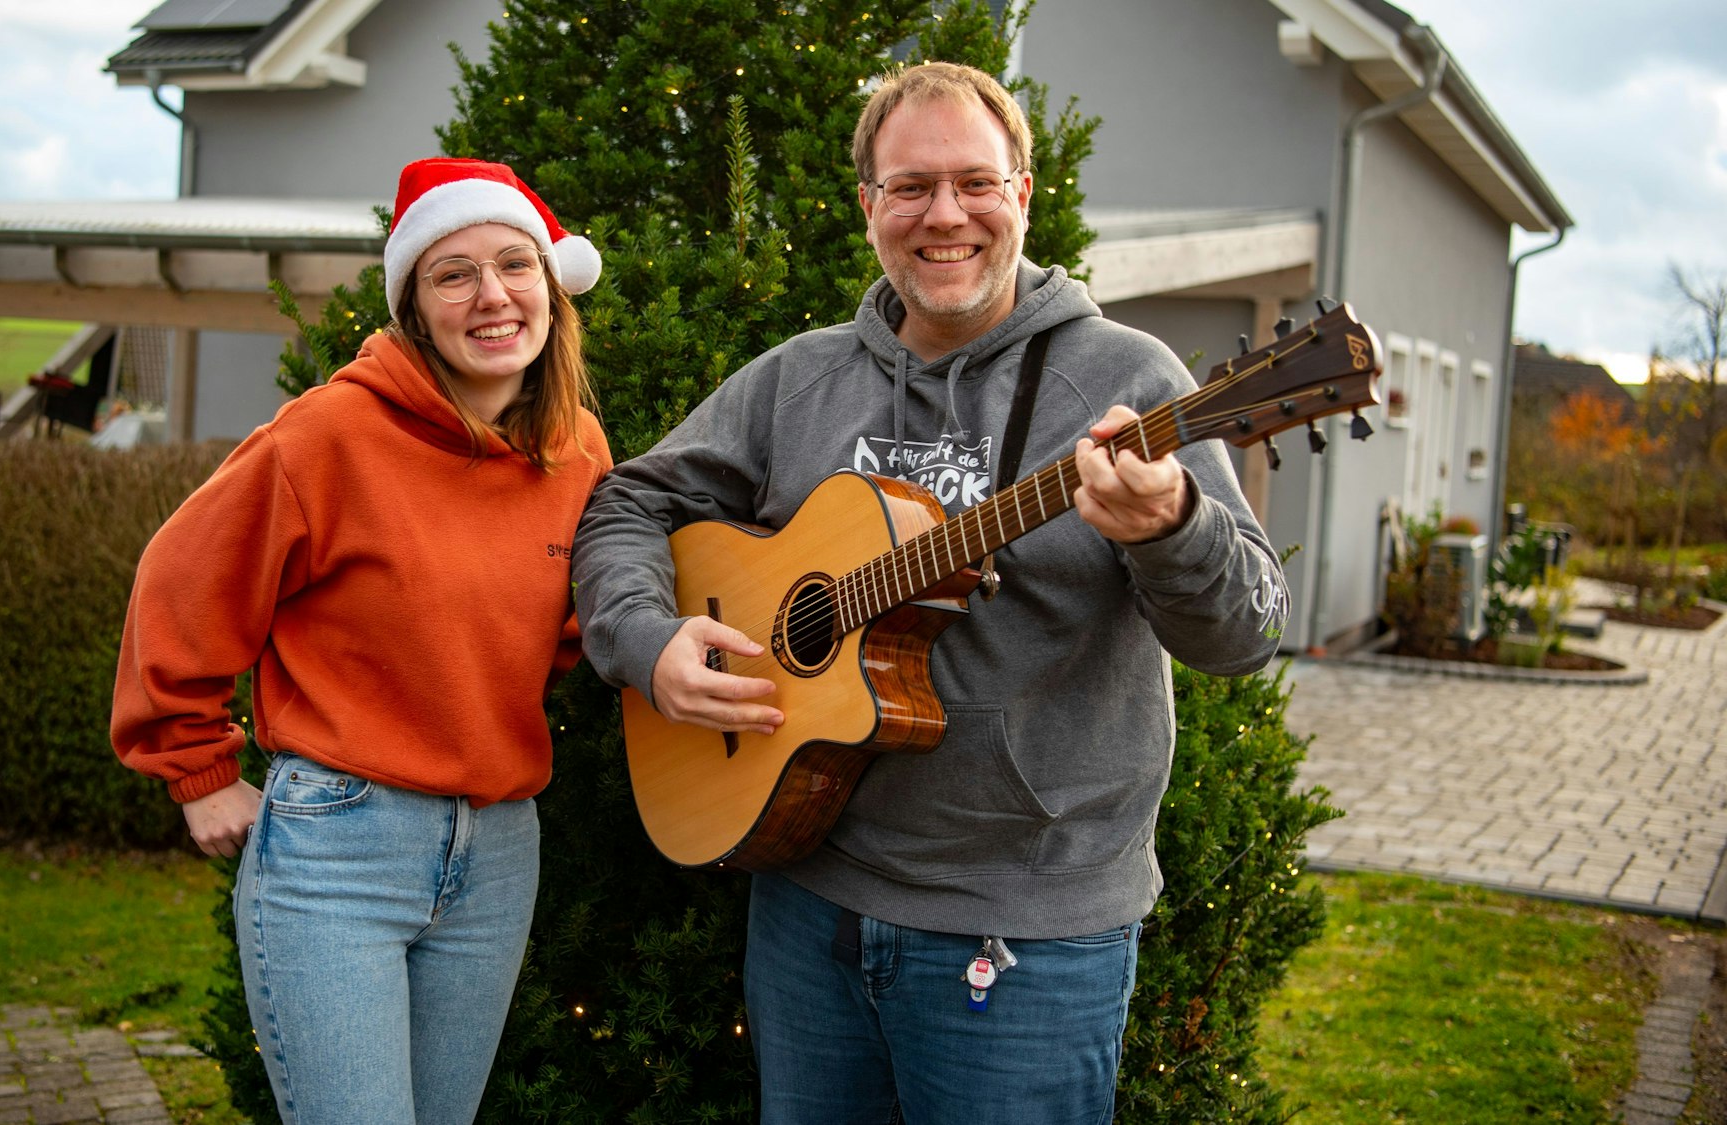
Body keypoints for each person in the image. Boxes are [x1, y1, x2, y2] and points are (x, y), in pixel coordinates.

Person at [570, 63, 1288, 1124]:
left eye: (973, 183)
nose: (941, 215)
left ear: (1023, 195)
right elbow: (625, 502)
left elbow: (1244, 632)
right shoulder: (799, 379)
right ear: (866, 208)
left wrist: (1170, 529)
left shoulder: (1128, 382)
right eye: (908, 187)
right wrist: (646, 641)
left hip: (1025, 933)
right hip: (805, 895)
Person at [111, 157, 611, 1125]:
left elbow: (567, 624)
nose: (492, 295)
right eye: (452, 273)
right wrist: (198, 769)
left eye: (515, 265)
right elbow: (181, 579)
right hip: (339, 845)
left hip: (500, 849)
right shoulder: (331, 434)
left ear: (552, 289)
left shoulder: (575, 448)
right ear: (415, 309)